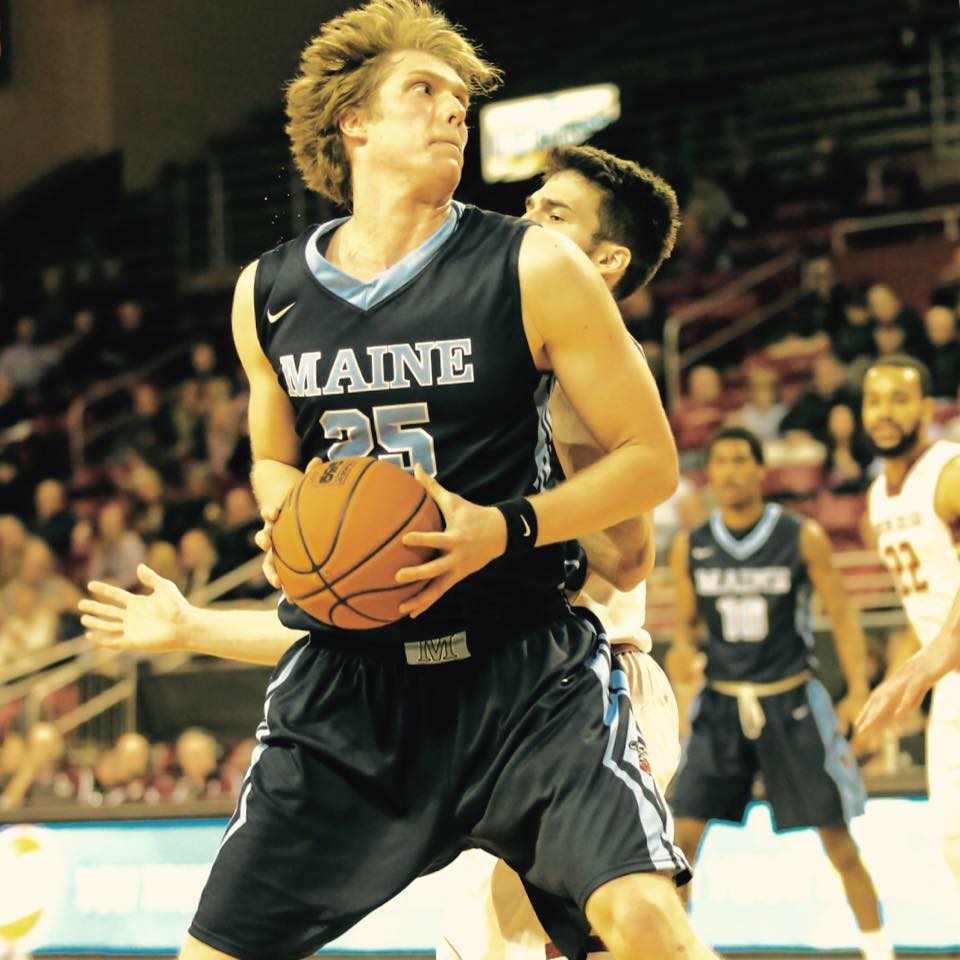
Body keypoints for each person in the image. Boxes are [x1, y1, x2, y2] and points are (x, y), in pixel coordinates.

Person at [82, 3, 701, 958]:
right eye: (425, 91)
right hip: (352, 688)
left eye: (460, 99)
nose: (453, 111)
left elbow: (650, 461)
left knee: (644, 921)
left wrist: (505, 526)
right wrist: (286, 513)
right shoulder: (267, 293)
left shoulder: (533, 263)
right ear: (355, 122)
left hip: (521, 667)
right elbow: (274, 458)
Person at [667, 426, 894, 960]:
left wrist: (858, 688)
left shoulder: (801, 536)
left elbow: (842, 614)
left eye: (740, 460)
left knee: (838, 840)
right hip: (721, 701)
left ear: (760, 470)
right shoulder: (690, 546)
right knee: (681, 843)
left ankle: (879, 949)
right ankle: (674, 950)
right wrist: (681, 656)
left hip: (791, 699)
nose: (730, 471)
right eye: (721, 461)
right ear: (709, 473)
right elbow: (687, 629)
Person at [855, 356, 960, 888]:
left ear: (925, 407)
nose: (884, 412)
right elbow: (926, 605)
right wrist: (901, 681)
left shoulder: (949, 473)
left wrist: (936, 656)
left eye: (899, 399)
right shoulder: (879, 497)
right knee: (952, 841)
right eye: (874, 401)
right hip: (950, 680)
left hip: (949, 661)